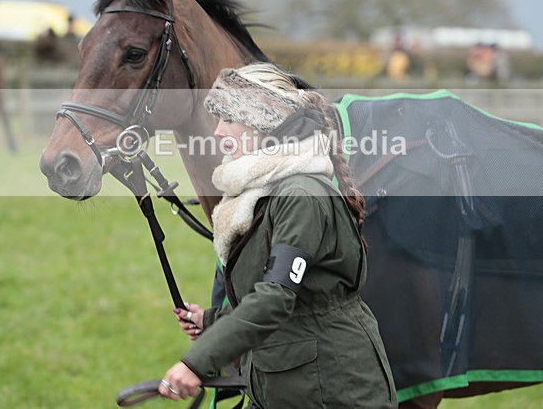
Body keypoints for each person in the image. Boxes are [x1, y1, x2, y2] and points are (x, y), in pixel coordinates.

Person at [158, 63, 397, 408]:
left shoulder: (301, 195)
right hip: (284, 386)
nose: (217, 133)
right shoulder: (264, 193)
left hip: (332, 391)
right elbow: (287, 298)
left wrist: (196, 362)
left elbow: (276, 297)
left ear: (264, 124)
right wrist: (209, 321)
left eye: (229, 120)